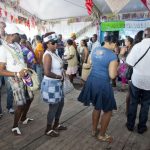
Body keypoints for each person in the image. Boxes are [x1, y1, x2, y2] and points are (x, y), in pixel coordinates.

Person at [78, 35, 118, 142]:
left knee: (97, 107)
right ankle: (102, 135)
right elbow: (113, 75)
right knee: (108, 111)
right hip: (103, 84)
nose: (115, 46)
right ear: (112, 43)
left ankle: (94, 130)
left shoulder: (95, 49)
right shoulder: (112, 55)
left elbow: (90, 62)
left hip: (92, 81)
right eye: (115, 44)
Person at [0, 24, 34, 135]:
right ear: (12, 35)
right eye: (17, 35)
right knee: (20, 104)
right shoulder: (2, 49)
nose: (19, 37)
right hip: (15, 79)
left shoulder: (17, 45)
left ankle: (23, 118)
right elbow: (1, 70)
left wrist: (25, 68)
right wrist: (16, 73)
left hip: (25, 75)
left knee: (30, 98)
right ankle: (15, 126)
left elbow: (21, 58)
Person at [41, 33, 67, 137]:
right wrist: (59, 77)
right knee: (53, 107)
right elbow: (46, 72)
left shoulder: (54, 53)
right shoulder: (47, 55)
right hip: (51, 84)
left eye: (57, 42)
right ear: (47, 44)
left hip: (58, 84)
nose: (56, 44)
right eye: (53, 43)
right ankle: (48, 128)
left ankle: (56, 124)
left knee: (60, 104)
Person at [126, 28, 150, 134]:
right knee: (145, 104)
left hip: (136, 79)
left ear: (144, 35)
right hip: (149, 82)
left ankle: (130, 125)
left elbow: (129, 63)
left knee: (133, 102)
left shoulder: (137, 46)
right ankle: (141, 127)